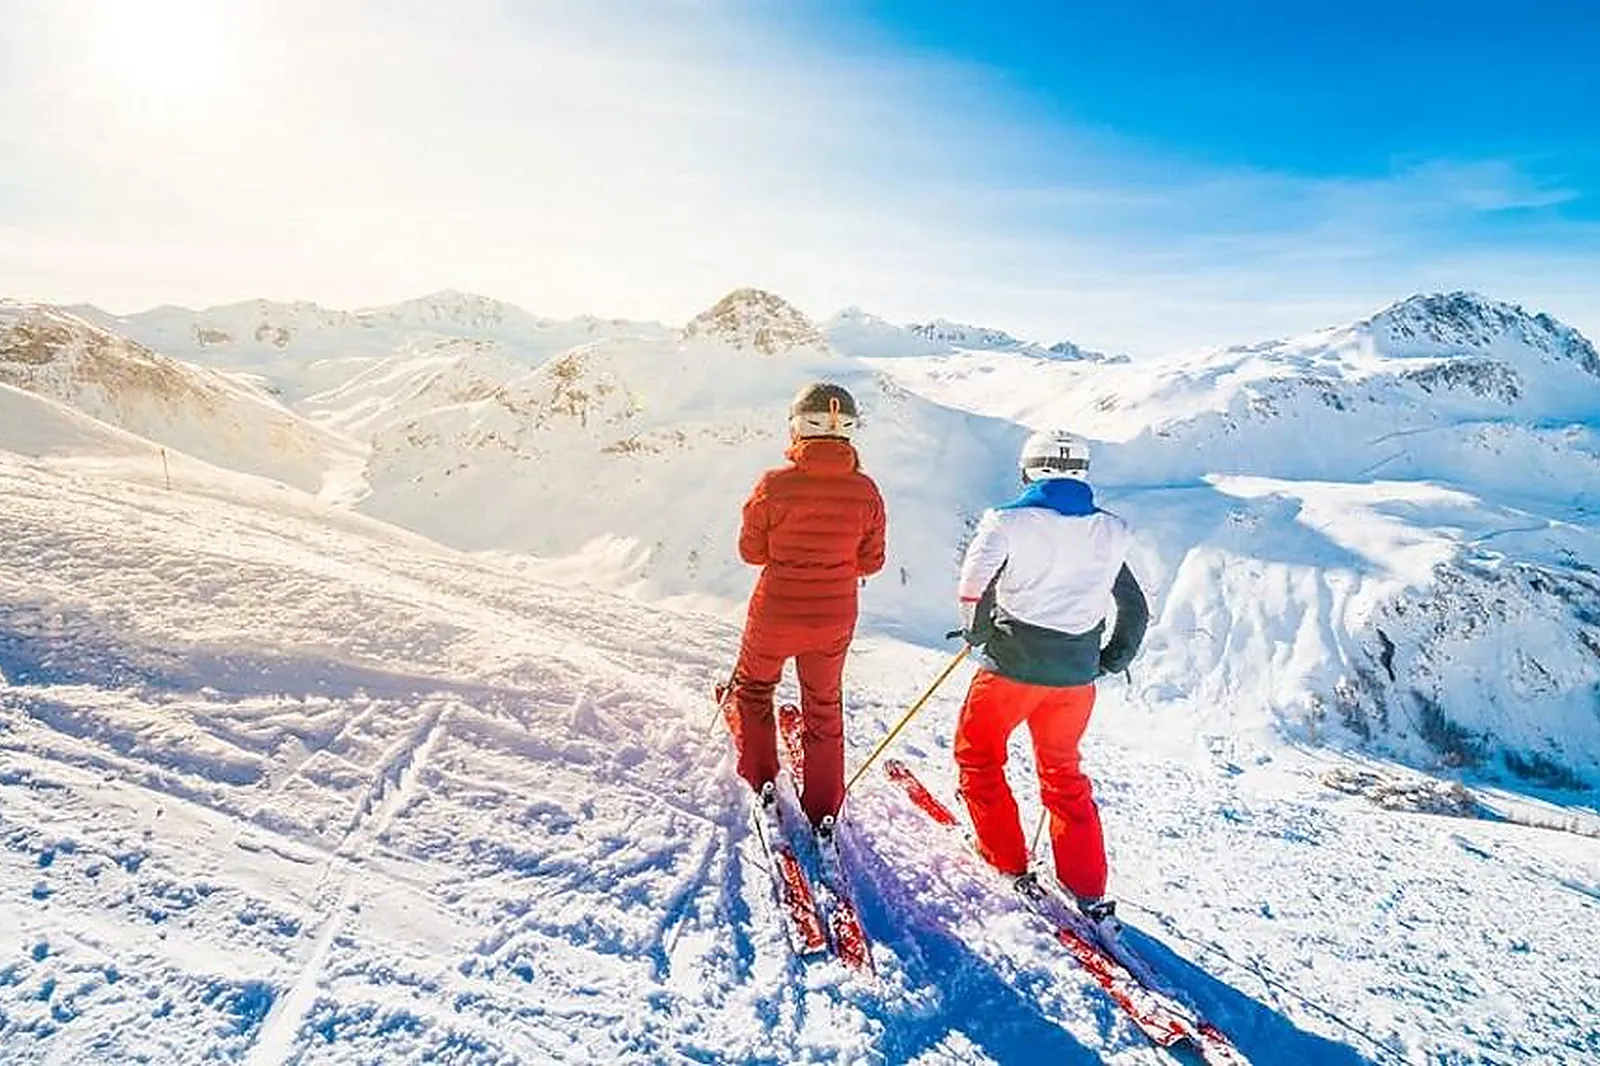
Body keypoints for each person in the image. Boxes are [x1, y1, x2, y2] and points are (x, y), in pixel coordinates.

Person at [953, 428, 1148, 931]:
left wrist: (977, 636)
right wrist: (1111, 659)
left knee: (979, 755)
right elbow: (1134, 606)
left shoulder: (1008, 521)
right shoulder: (1112, 530)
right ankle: (1086, 885)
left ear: (1028, 469)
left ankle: (1006, 861)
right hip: (1075, 678)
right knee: (1064, 775)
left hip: (1011, 670)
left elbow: (975, 586)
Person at [731, 382, 886, 833]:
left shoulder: (774, 485)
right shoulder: (866, 490)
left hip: (776, 609)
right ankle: (824, 806)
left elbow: (751, 552)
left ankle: (760, 775)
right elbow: (872, 561)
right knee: (822, 704)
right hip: (835, 615)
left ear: (798, 426)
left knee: (755, 687)